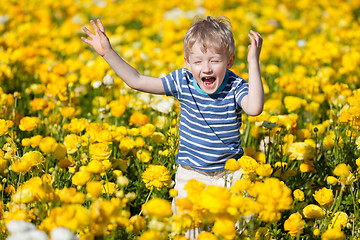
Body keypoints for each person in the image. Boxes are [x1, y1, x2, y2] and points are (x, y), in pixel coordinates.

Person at [81, 16, 264, 238]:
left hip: (230, 174)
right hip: (191, 175)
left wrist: (253, 61)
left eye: (214, 61)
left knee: (238, 230)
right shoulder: (182, 81)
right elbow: (136, 80)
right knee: (188, 232)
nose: (205, 68)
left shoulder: (236, 86)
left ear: (230, 61)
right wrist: (107, 53)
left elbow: (254, 108)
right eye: (197, 62)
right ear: (187, 63)